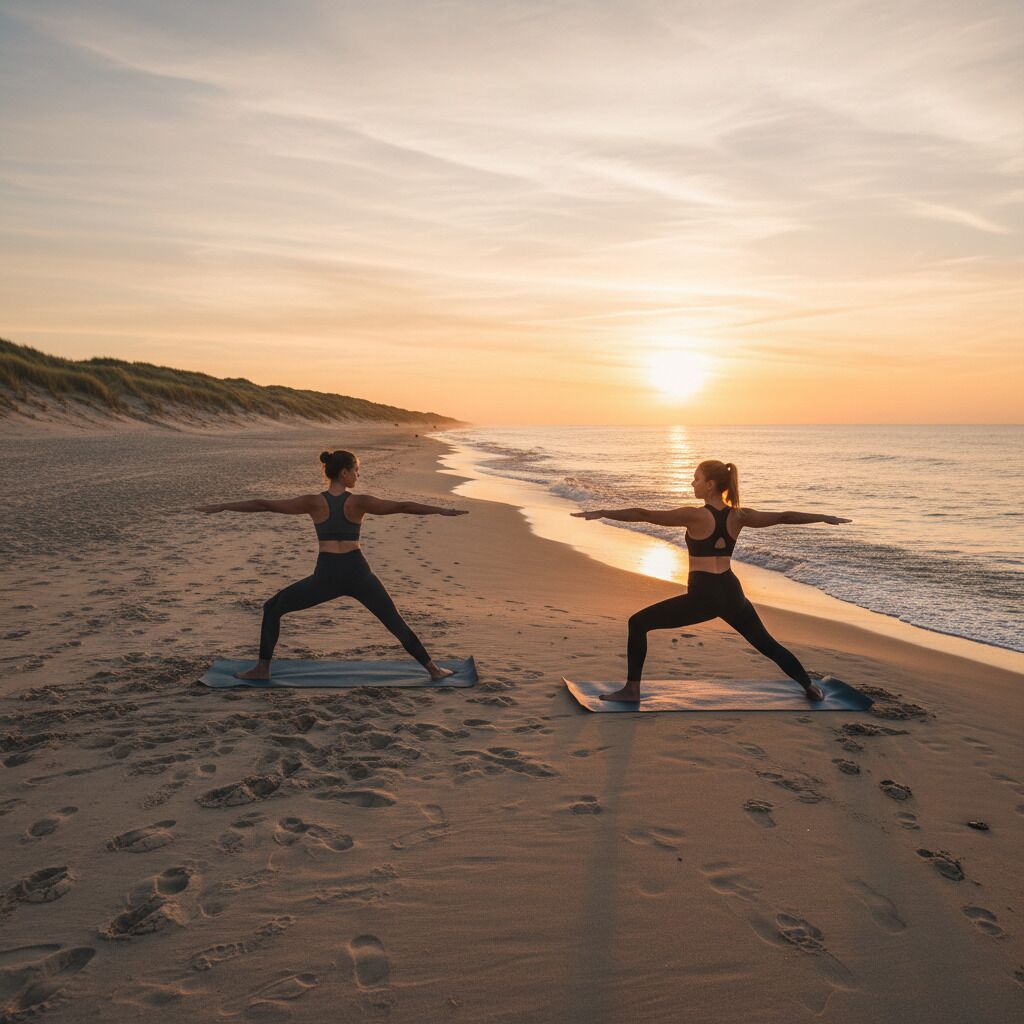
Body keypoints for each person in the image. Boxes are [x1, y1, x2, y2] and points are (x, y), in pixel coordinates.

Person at [571, 459, 851, 702]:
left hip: (704, 595)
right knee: (766, 643)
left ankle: (632, 690)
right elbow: (783, 516)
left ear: (710, 485)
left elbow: (645, 515)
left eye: (696, 479)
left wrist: (603, 512)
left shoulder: (693, 515)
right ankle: (809, 685)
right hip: (731, 591)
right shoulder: (740, 516)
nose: (692, 483)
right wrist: (822, 517)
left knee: (638, 623)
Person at [195, 449, 467, 681]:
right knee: (394, 621)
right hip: (357, 572)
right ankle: (433, 670)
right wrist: (441, 510)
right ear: (344, 473)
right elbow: (403, 506)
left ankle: (263, 668)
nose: (358, 476)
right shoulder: (360, 502)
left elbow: (264, 504)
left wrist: (222, 506)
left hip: (326, 574)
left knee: (273, 608)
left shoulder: (313, 502)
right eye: (356, 471)